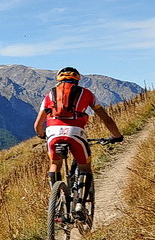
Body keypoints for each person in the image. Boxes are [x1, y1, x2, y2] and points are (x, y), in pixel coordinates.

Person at [34, 67, 123, 216]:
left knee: (55, 164)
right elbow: (106, 118)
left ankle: (55, 200)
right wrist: (117, 136)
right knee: (85, 167)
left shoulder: (50, 95)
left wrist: (42, 135)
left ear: (58, 79)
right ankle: (79, 205)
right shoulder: (86, 93)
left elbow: (37, 125)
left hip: (52, 133)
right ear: (77, 79)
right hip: (75, 132)